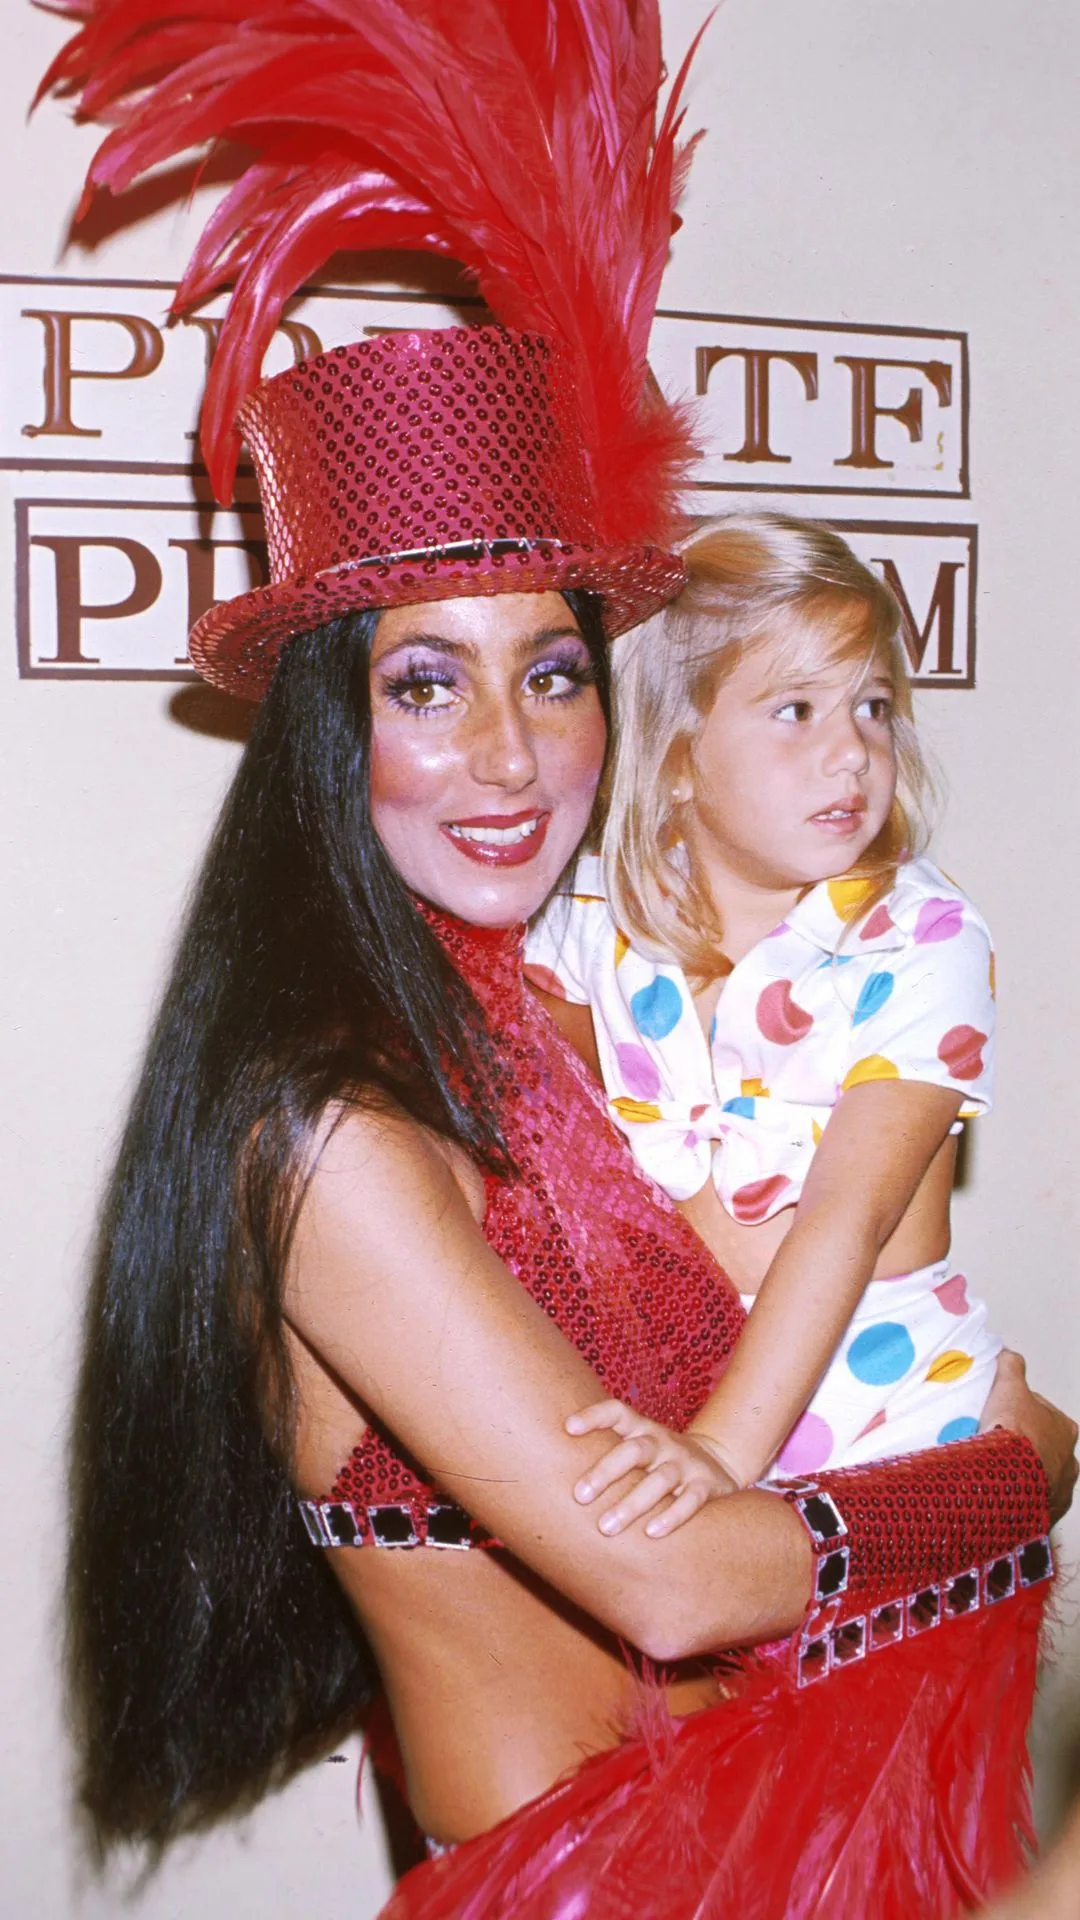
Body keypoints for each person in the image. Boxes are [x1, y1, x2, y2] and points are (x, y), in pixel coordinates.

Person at [42, 3, 1075, 1916]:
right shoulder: (322, 1134)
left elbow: (802, 1273)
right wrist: (1017, 1475)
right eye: (428, 685)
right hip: (586, 1879)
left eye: (554, 670)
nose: (511, 756)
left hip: (744, 1806)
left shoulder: (555, 1018)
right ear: (331, 738)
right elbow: (674, 1578)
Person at [526, 514, 1005, 1535]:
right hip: (673, 1439)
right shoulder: (588, 919)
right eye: (795, 709)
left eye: (872, 706)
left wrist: (723, 1451)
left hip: (893, 1445)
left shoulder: (918, 938)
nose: (852, 753)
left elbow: (847, 1214)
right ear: (681, 750)